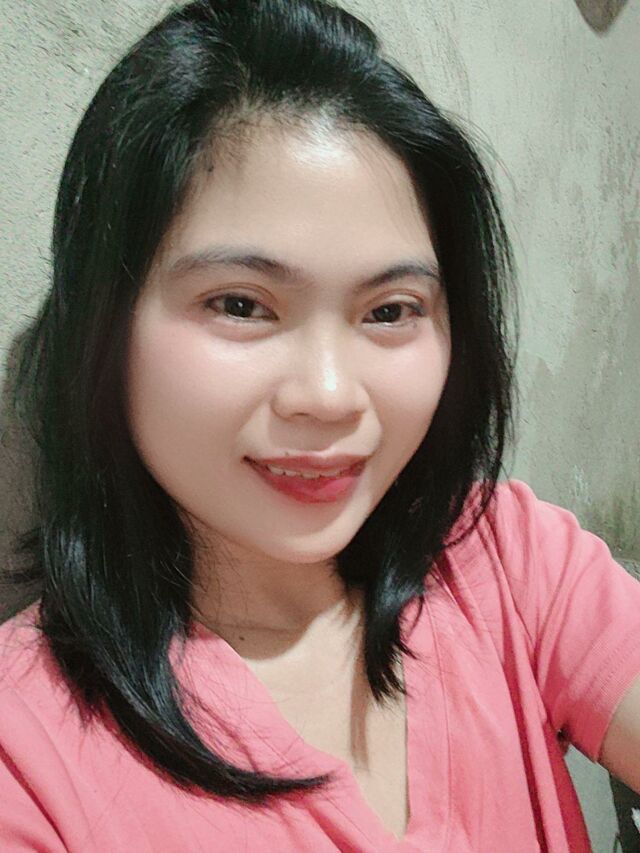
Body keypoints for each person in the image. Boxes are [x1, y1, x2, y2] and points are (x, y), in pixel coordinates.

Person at [1, 1, 639, 850]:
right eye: (240, 304)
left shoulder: (503, 558)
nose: (332, 396)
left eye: (391, 310)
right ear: (102, 327)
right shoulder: (27, 757)